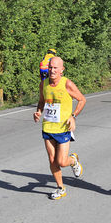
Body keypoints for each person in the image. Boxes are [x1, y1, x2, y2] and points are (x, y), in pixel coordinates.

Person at [33, 57, 87, 200]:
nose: (52, 70)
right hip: (48, 127)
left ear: (62, 70)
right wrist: (39, 111)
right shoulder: (43, 84)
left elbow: (82, 99)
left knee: (62, 162)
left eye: (55, 68)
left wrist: (73, 116)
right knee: (52, 160)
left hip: (63, 128)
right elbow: (41, 101)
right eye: (50, 67)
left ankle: (73, 161)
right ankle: (60, 188)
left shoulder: (67, 84)